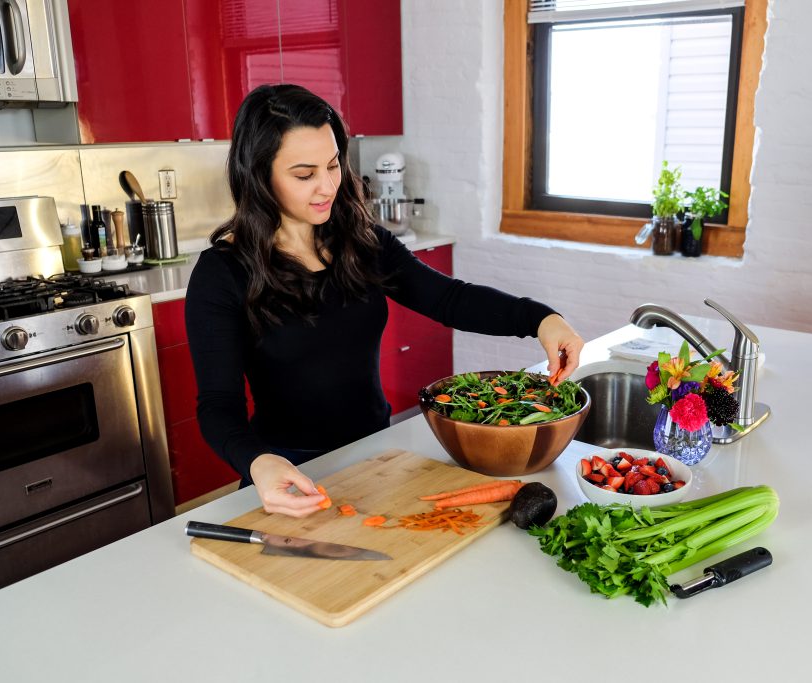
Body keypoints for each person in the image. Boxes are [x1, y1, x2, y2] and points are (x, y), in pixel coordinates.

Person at [185, 84, 583, 518]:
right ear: (259, 175)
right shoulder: (222, 273)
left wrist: (542, 319)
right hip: (288, 470)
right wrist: (258, 462)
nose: (327, 187)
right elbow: (218, 406)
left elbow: (449, 298)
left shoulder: (361, 241)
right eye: (304, 175)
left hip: (376, 454)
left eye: (334, 165)